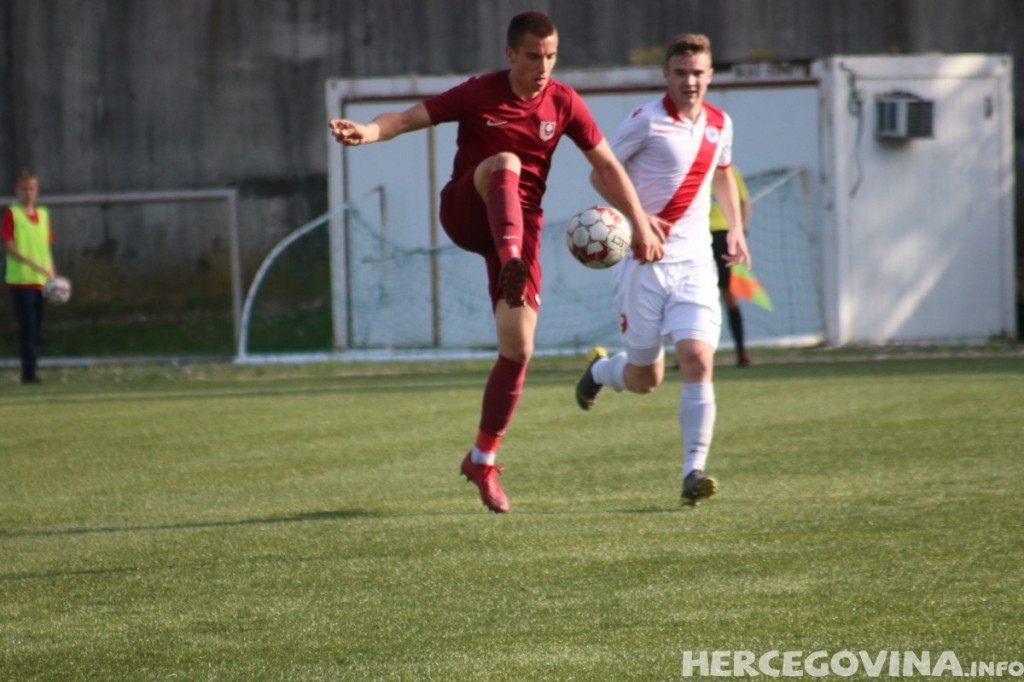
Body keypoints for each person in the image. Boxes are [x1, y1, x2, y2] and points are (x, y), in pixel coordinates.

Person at [328, 11, 661, 513]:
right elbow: (403, 119)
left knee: (519, 346)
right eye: (533, 56)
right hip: (468, 209)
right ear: (510, 55)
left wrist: (638, 220)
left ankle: (481, 459)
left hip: (519, 228)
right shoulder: (479, 93)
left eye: (551, 56)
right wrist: (367, 132)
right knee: (506, 162)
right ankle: (511, 261)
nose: (543, 66)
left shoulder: (564, 102)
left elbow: (608, 164)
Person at [576, 33, 750, 507]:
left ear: (710, 75)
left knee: (698, 359)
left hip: (694, 261)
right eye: (680, 73)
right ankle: (601, 370)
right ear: (665, 76)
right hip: (643, 264)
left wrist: (735, 229)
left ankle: (694, 470)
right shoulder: (646, 121)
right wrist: (637, 220)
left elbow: (721, 176)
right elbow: (599, 172)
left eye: (698, 73)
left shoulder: (720, 123)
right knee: (645, 379)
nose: (690, 82)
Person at [3, 169, 59, 385]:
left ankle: (32, 369)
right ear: (18, 190)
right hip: (21, 281)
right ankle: (28, 374)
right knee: (28, 327)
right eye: (24, 189)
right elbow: (9, 246)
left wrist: (52, 274)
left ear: (37, 191)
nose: (28, 193)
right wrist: (33, 263)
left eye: (32, 189)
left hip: (41, 282)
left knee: (37, 327)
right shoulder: (12, 214)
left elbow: (46, 248)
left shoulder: (44, 215)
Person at [710, 166, 752, 367]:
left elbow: (744, 202)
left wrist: (741, 231)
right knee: (692, 294)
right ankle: (690, 355)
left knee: (728, 294)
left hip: (723, 237)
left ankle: (740, 351)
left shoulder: (728, 171)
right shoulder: (692, 166)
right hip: (698, 237)